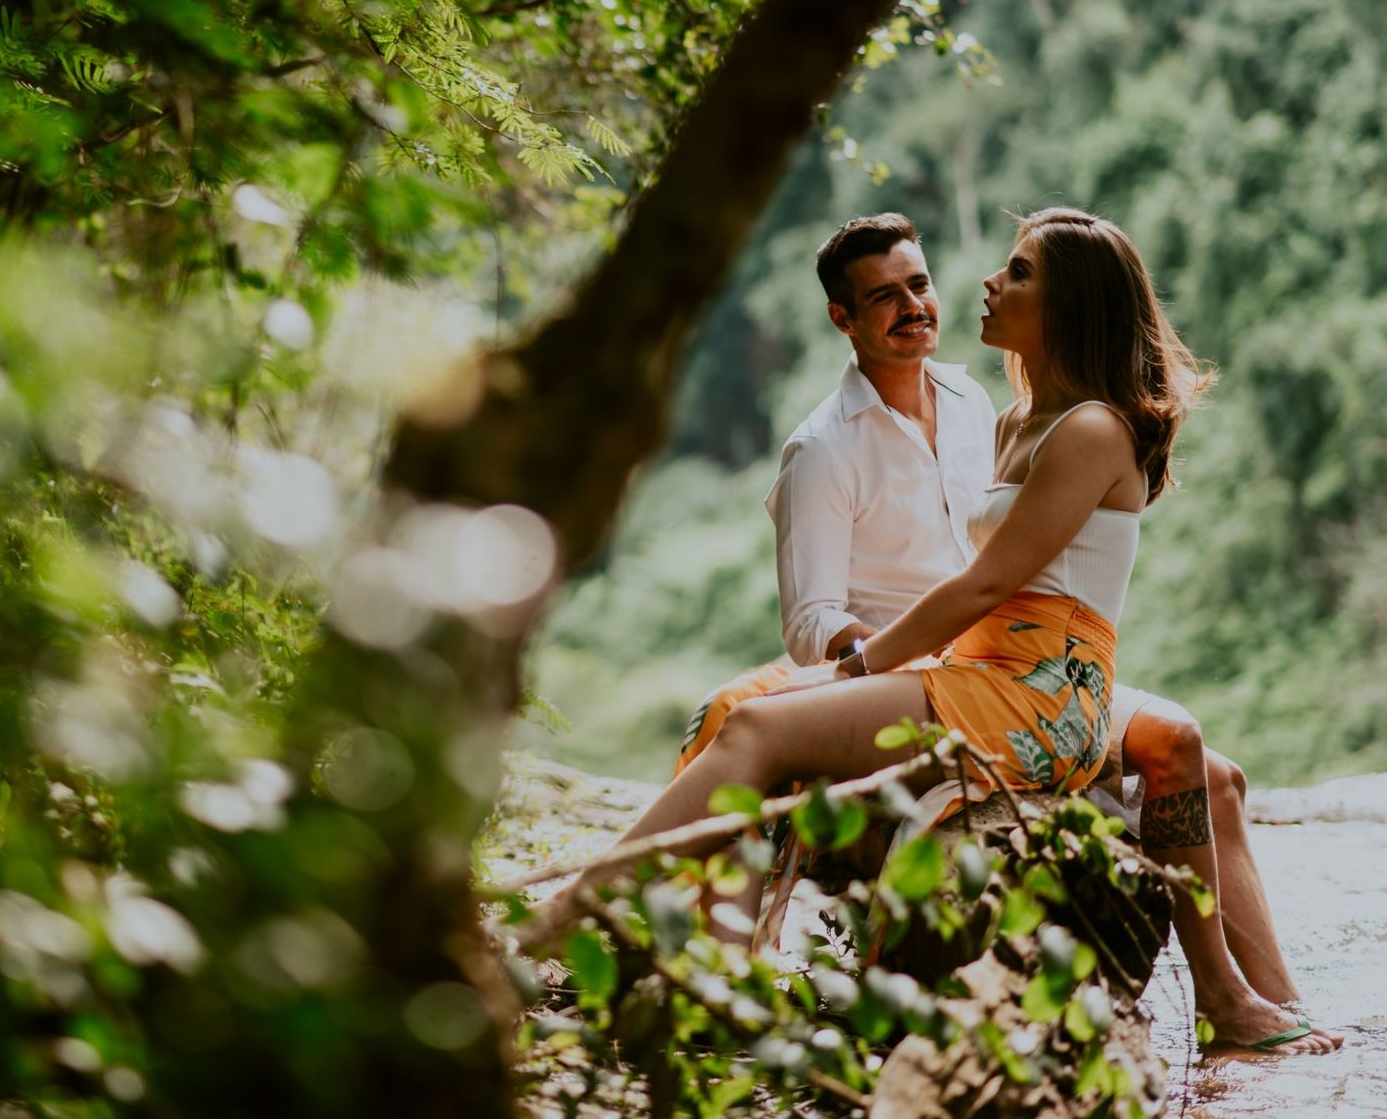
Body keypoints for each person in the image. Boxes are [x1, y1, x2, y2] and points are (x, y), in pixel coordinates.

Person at [536, 209, 1338, 1054]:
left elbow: (993, 579)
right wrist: (860, 663)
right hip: (959, 657)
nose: (962, 289)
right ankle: (697, 956)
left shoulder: (997, 407)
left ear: (1066, 307)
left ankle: (1260, 1001)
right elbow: (842, 613)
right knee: (745, 717)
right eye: (884, 296)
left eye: (1010, 273)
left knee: (1203, 761)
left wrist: (876, 668)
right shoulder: (871, 440)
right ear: (843, 319)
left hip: (1007, 669)